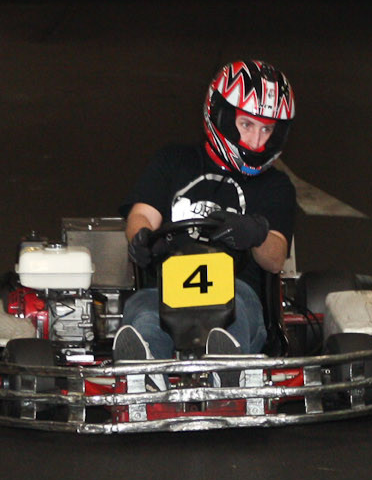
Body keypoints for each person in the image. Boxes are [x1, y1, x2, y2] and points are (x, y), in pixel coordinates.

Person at [114, 59, 297, 359]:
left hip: (237, 292)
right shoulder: (174, 161)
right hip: (167, 289)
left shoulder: (275, 186)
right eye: (246, 125)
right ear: (221, 115)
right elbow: (142, 215)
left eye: (267, 130)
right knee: (144, 314)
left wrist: (255, 234)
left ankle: (226, 364)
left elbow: (276, 258)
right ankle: (146, 366)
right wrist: (141, 237)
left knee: (236, 314)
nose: (255, 141)